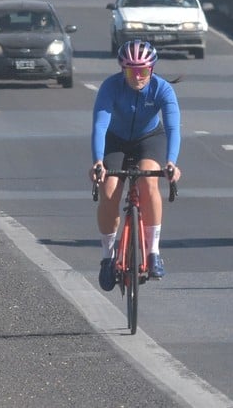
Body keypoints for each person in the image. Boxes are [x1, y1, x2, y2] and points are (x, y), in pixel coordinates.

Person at [89, 40, 183, 290]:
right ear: (123, 70)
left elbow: (173, 128)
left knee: (148, 181)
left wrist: (172, 162)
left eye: (143, 71)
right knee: (109, 190)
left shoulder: (162, 90)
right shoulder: (111, 88)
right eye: (132, 71)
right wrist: (98, 161)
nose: (138, 77)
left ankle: (153, 252)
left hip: (149, 138)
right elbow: (100, 125)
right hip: (115, 140)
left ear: (151, 70)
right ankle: (107, 257)